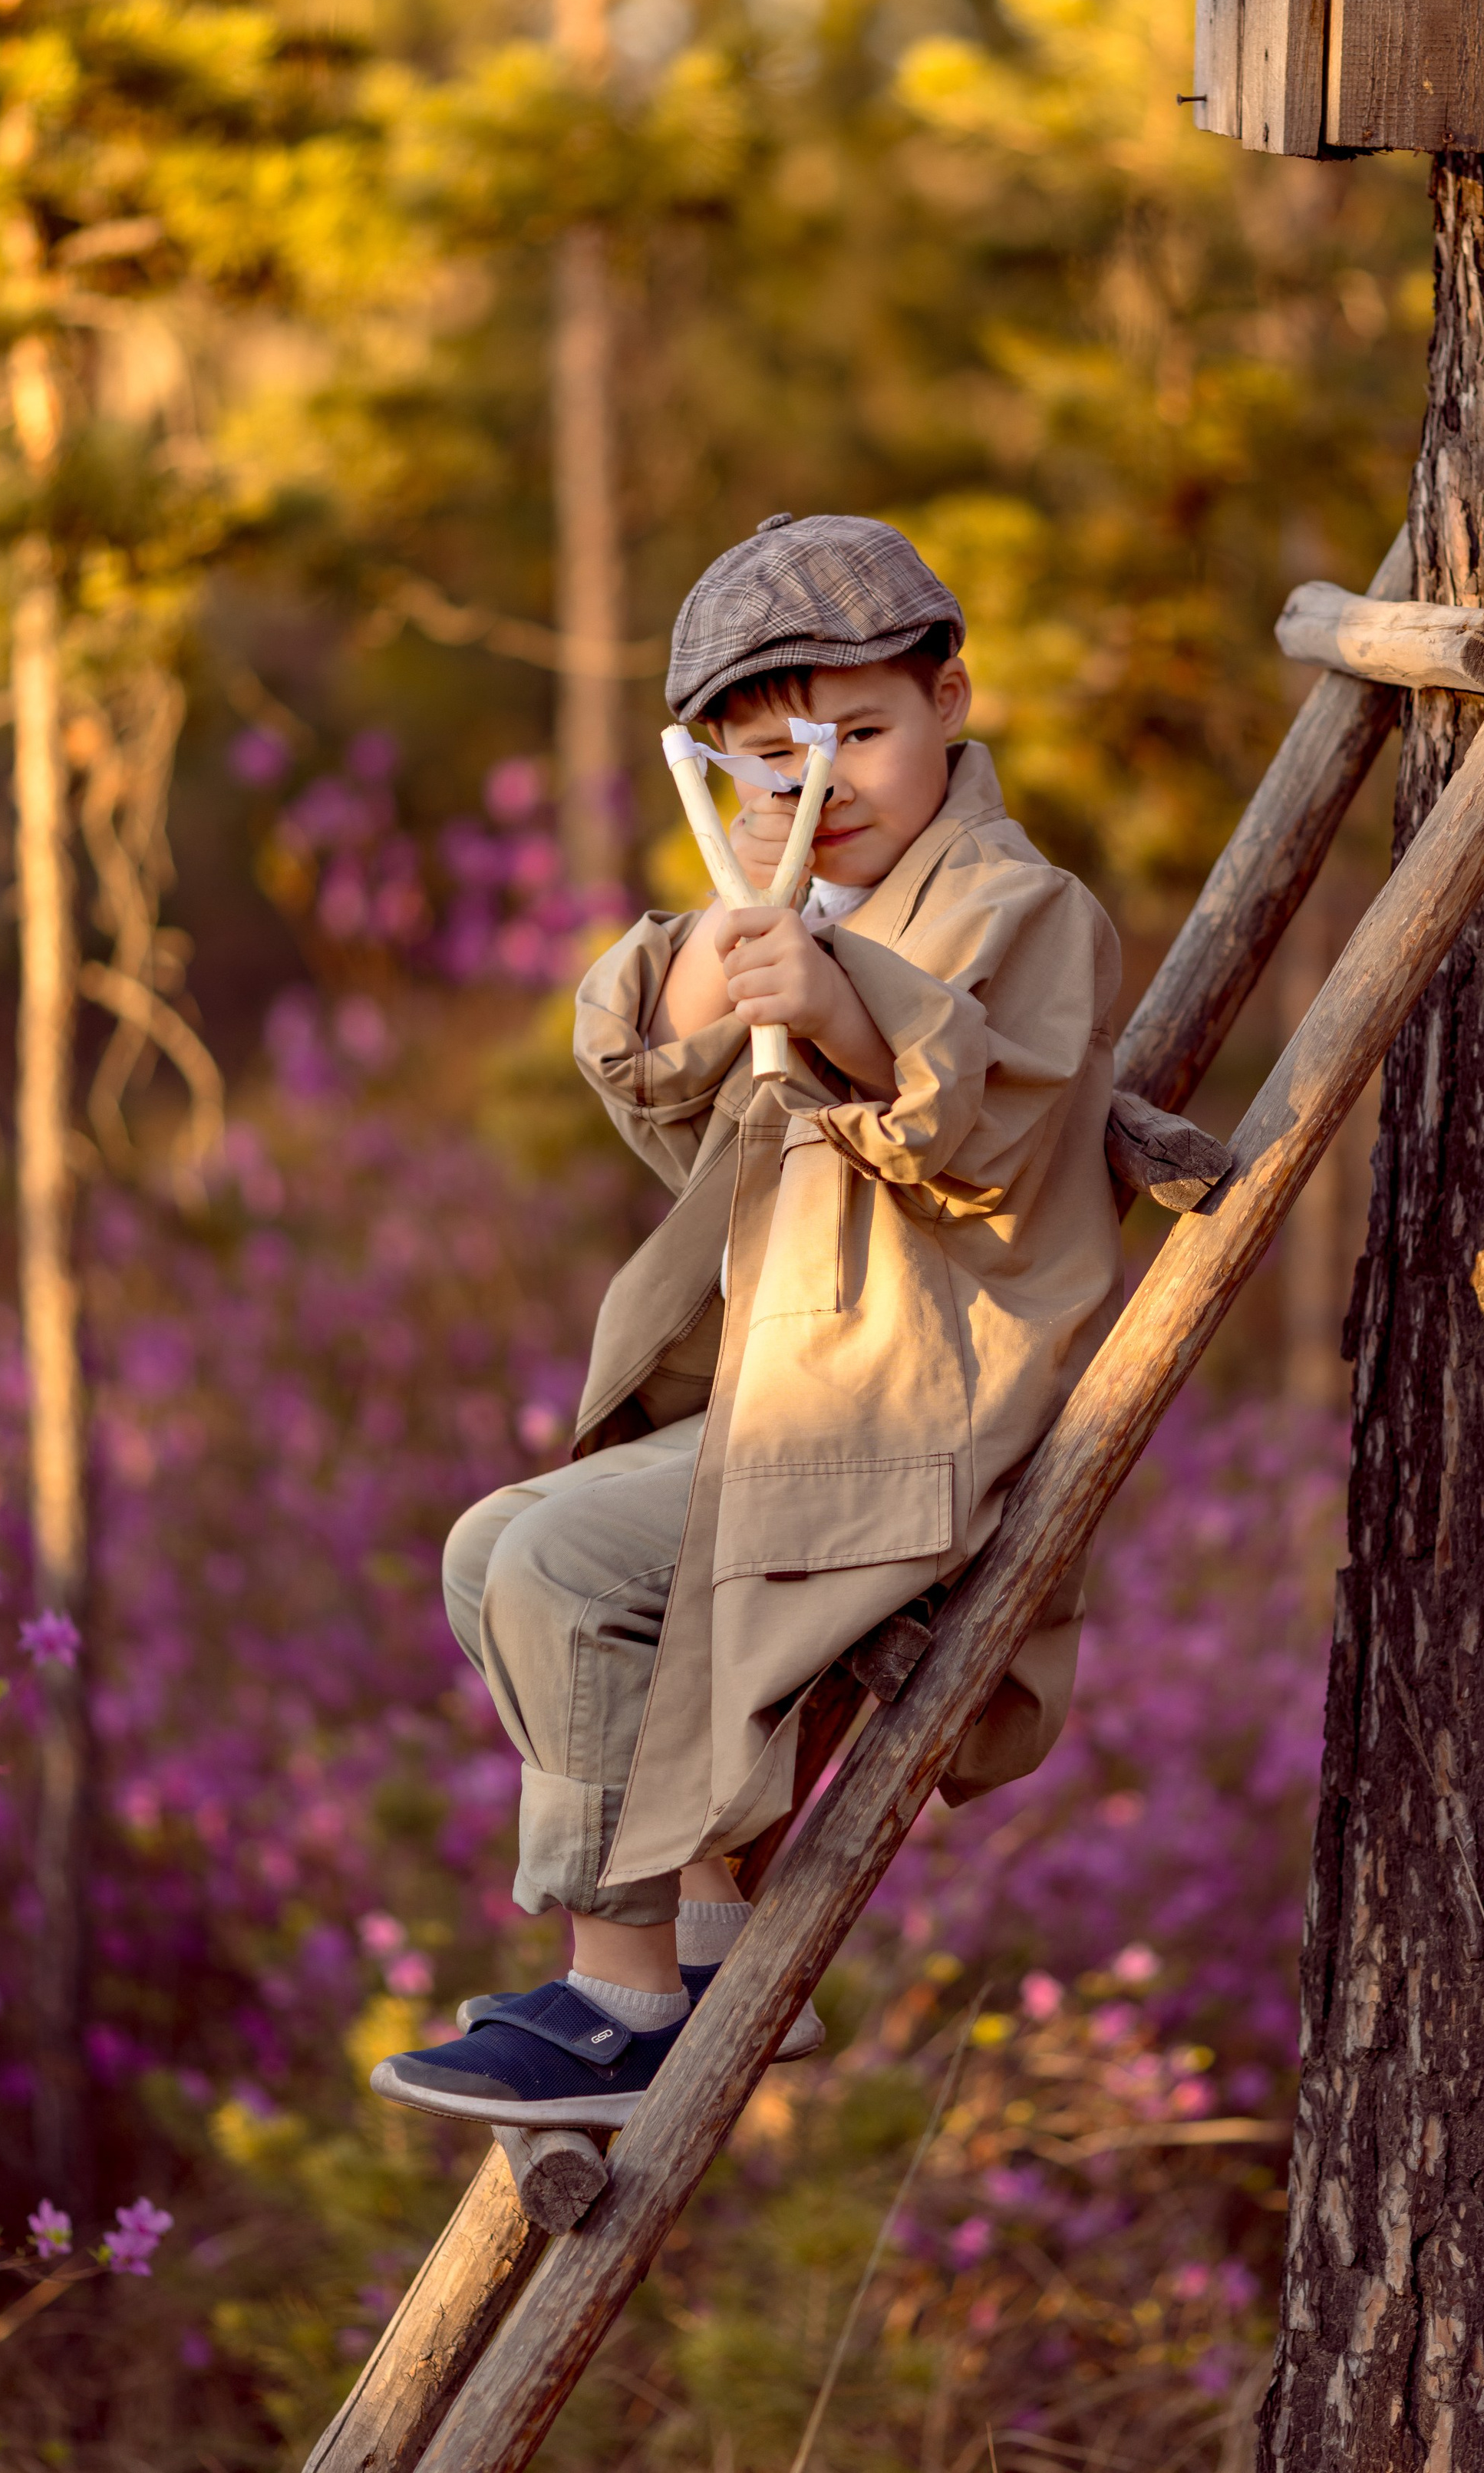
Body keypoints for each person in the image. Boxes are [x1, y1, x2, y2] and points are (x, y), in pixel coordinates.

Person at [374, 514, 1126, 2129]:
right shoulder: (803, 908)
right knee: (488, 1546)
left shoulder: (1017, 906)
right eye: (770, 763)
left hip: (922, 1419)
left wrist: (843, 1003)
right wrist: (714, 977)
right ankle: (711, 1939)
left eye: (859, 732)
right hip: (803, 1404)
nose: (818, 784)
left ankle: (620, 1997)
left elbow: (976, 1137)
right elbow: (678, 1108)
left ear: (948, 701)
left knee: (565, 1567)